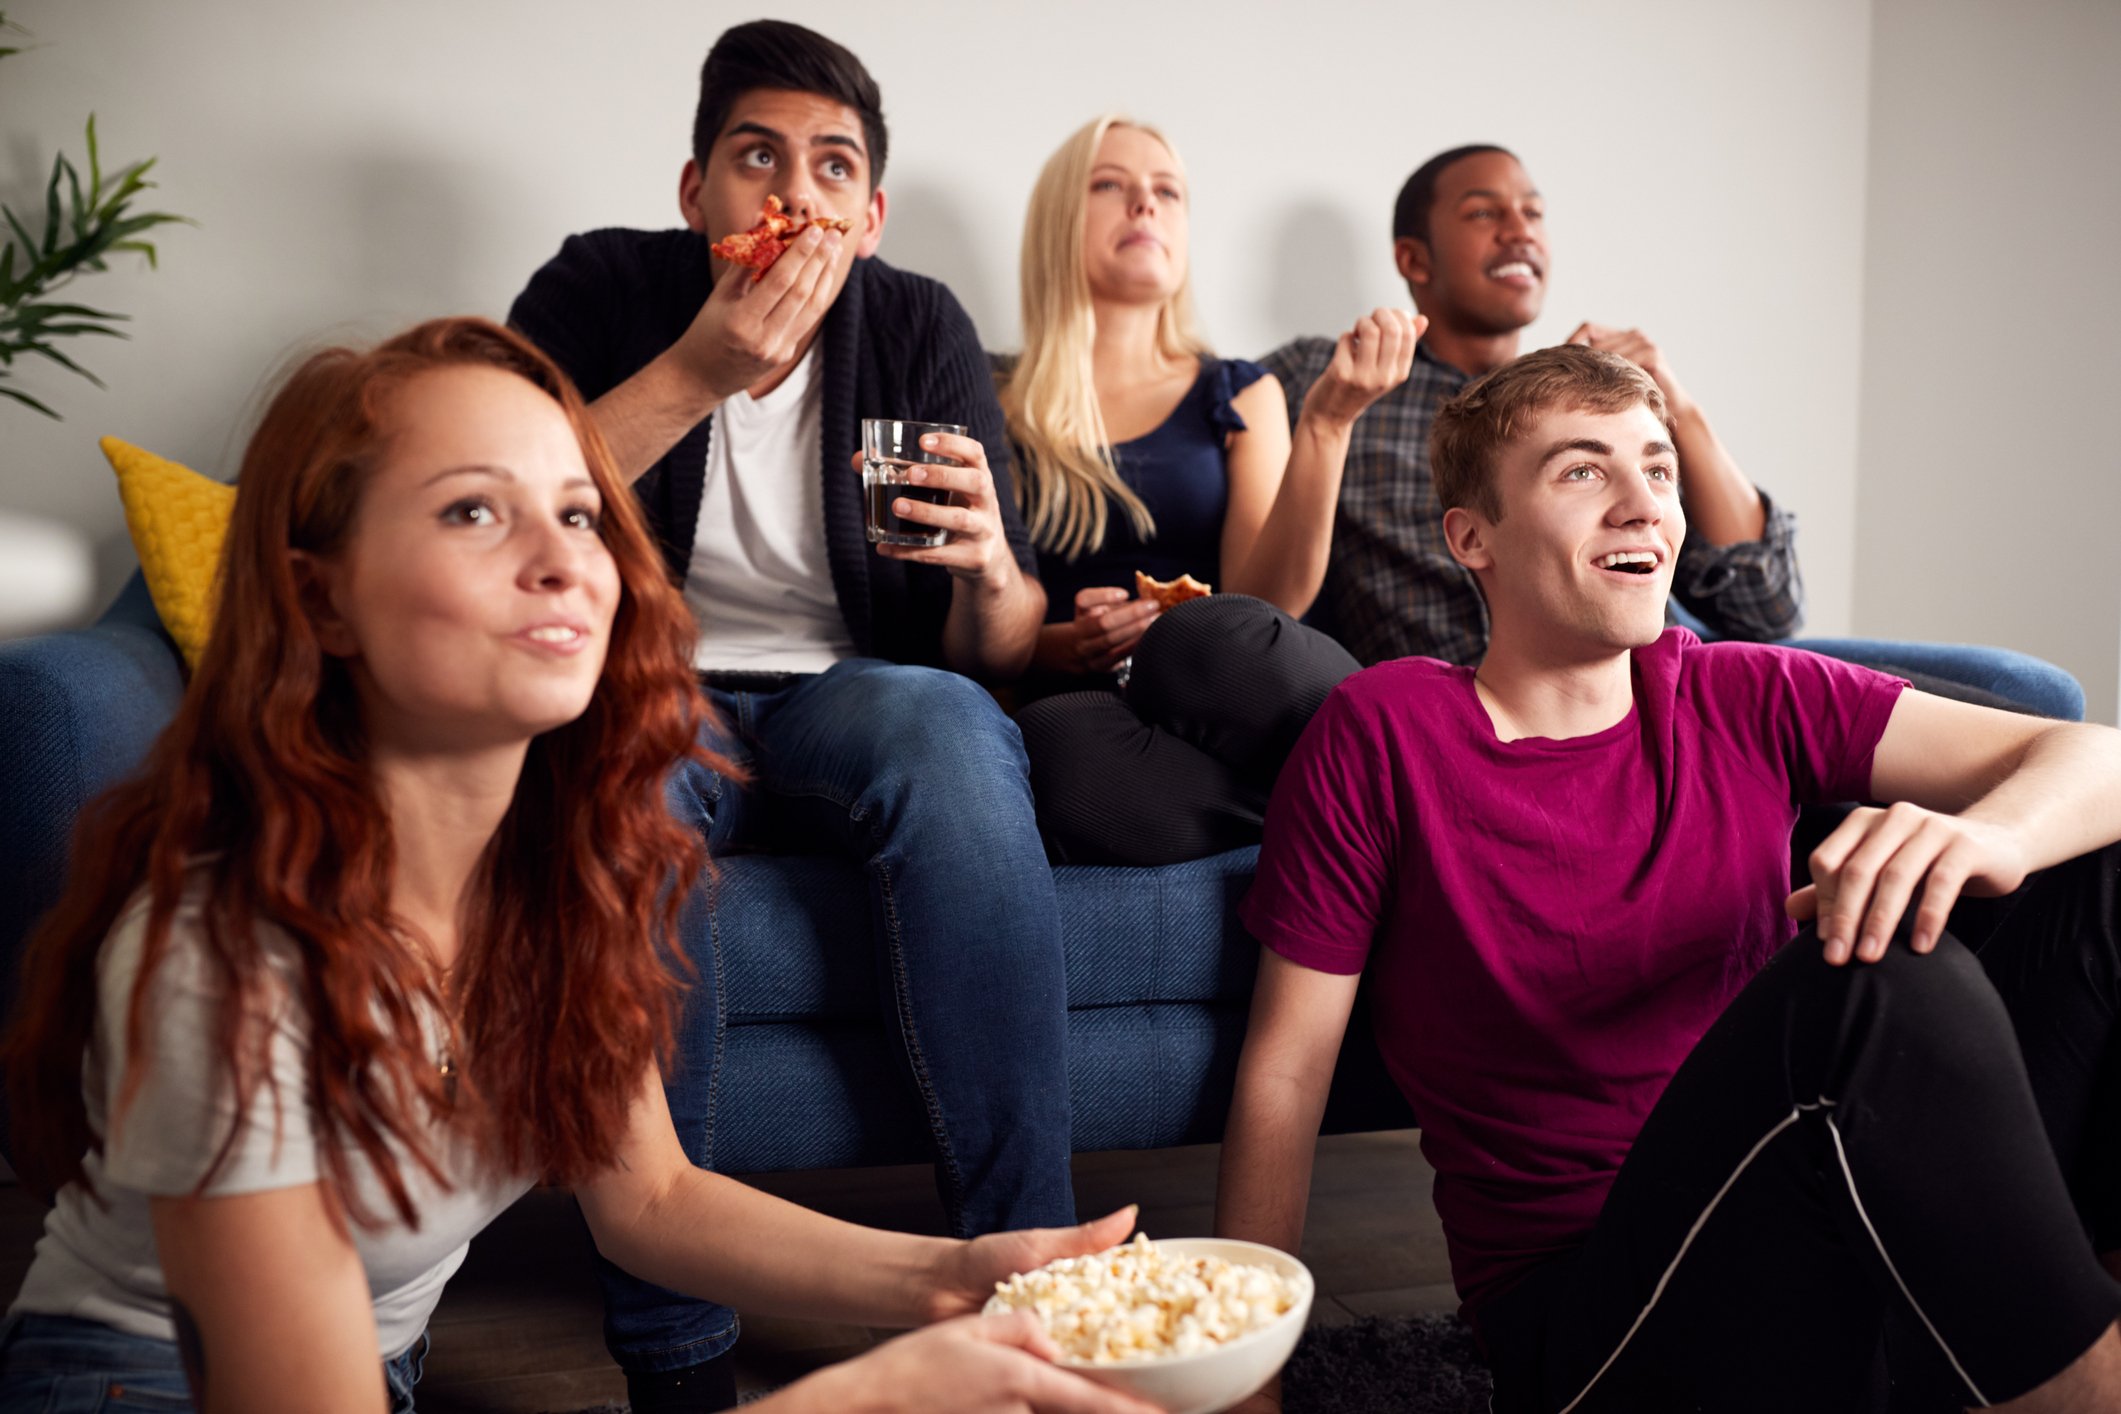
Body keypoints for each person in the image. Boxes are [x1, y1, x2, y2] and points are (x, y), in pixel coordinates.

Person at [0, 318, 1154, 1414]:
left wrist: (960, 1277)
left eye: (580, 512)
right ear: (322, 597)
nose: (562, 561)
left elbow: (651, 1197)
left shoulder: (558, 868)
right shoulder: (228, 966)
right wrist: (880, 1389)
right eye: (472, 512)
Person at [1214, 344, 2121, 1412]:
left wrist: (1992, 840)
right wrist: (1246, 1378)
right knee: (1869, 985)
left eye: (1657, 468)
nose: (1644, 503)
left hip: (1843, 1243)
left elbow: (2097, 755)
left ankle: (2048, 1325)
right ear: (1474, 538)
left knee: (2097, 876)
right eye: (1583, 471)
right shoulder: (1386, 729)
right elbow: (1284, 1070)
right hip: (1603, 1322)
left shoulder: (1741, 691)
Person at [505, 23, 1076, 1408]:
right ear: (697, 185)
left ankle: (1048, 1289)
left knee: (947, 726)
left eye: (833, 167)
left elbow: (995, 647)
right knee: (623, 776)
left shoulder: (916, 323)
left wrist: (994, 570)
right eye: (757, 156)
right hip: (654, 683)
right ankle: (678, 1361)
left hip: (850, 691)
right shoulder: (599, 285)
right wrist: (702, 366)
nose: (794, 195)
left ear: (868, 216)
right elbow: (508, 498)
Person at [1261, 144, 2084, 718]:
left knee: (2037, 699)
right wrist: (1333, 411)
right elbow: (1254, 598)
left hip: (1682, 665)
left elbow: (1767, 611)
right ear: (1413, 257)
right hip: (1536, 692)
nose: (1520, 231)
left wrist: (1676, 405)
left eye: (1533, 213)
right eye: (1484, 214)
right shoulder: (1322, 379)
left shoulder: (1591, 395)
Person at [998, 114, 1418, 866]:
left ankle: (1375, 801)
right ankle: (1343, 823)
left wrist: (1325, 420)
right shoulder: (993, 399)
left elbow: (1270, 600)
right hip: (1105, 713)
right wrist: (1064, 645)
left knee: (1211, 638)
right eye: (1109, 186)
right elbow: (956, 628)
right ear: (1058, 218)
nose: (1145, 205)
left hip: (1234, 681)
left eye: (1167, 191)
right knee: (1060, 749)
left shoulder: (1237, 391)